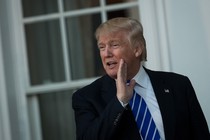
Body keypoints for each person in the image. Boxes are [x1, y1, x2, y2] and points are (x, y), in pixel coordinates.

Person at [72, 17, 210, 140]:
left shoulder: (178, 85)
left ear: (137, 49)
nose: (106, 53)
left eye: (114, 45)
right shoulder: (86, 97)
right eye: (102, 47)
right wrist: (120, 101)